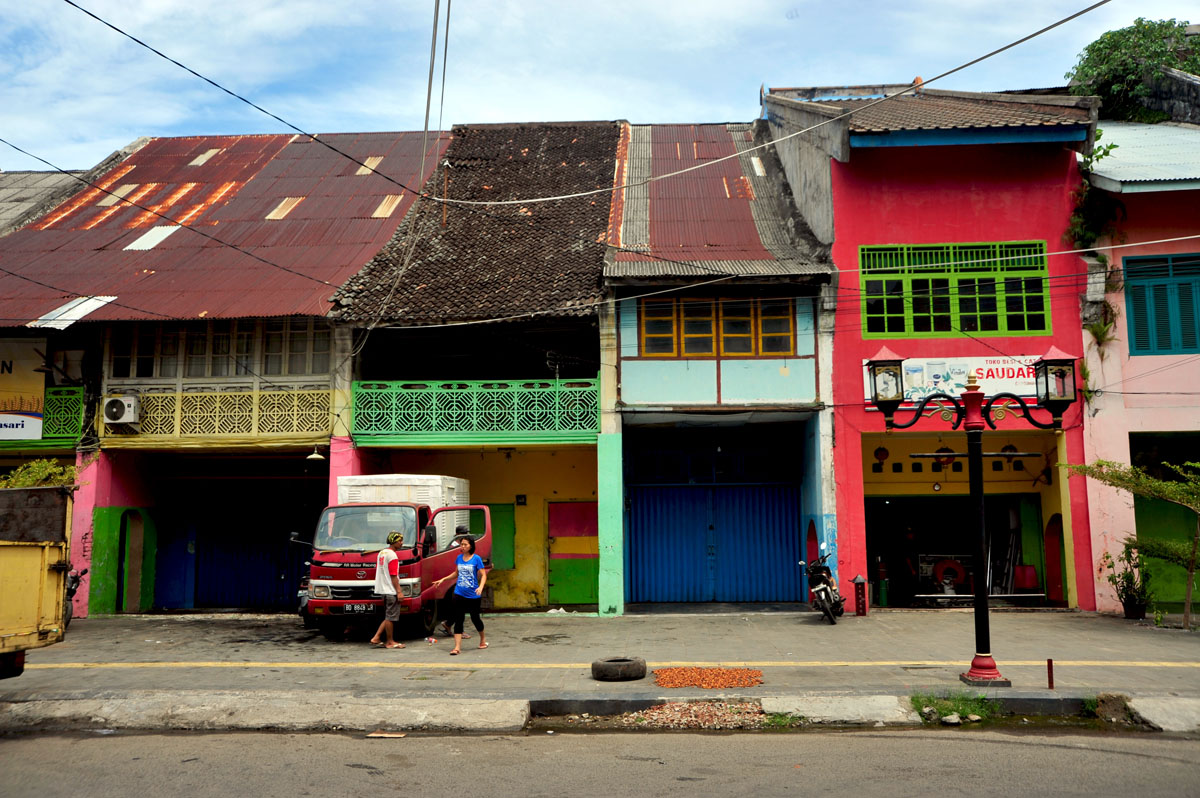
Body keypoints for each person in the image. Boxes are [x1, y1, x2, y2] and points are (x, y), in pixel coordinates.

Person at [434, 536, 487, 655]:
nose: (462, 547)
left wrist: (480, 587)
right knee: (459, 619)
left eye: (465, 545)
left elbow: (483, 575)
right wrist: (443, 579)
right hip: (459, 593)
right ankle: (457, 647)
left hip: (473, 595)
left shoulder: (476, 559)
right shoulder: (459, 558)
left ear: (471, 546)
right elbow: (456, 573)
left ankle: (482, 640)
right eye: (461, 544)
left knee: (475, 618)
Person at [369, 531, 406, 649]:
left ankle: (376, 637)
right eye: (400, 541)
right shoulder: (393, 555)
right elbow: (393, 575)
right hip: (390, 590)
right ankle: (390, 641)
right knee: (391, 617)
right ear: (394, 541)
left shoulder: (382, 553)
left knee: (388, 616)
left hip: (383, 590)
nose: (402, 543)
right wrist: (399, 591)